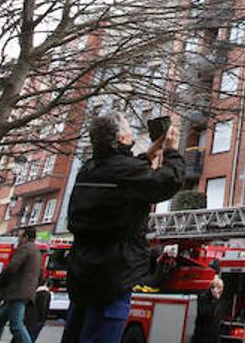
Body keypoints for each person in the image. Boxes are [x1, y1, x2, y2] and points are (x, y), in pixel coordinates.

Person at [64, 111, 186, 343]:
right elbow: (170, 181)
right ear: (120, 139)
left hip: (82, 275)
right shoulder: (125, 172)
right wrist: (171, 150)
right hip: (113, 277)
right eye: (129, 128)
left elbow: (123, 175)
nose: (132, 131)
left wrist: (150, 153)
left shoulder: (88, 170)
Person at [0, 227, 43, 343]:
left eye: (20, 237)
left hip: (18, 292)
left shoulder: (25, 248)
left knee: (16, 325)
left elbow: (11, 268)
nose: (18, 240)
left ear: (25, 237)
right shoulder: (37, 252)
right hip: (24, 293)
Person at [192, 276, 225, 343]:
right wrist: (214, 300)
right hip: (203, 337)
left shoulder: (216, 300)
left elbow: (216, 321)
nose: (220, 293)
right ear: (213, 288)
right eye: (219, 290)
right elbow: (205, 314)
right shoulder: (203, 298)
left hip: (212, 337)